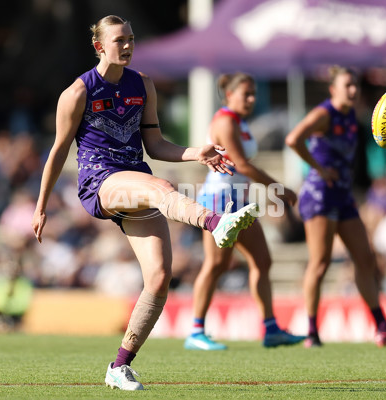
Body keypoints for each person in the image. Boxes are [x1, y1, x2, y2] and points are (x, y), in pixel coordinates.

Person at [31, 15, 259, 391]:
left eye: (131, 39)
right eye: (119, 39)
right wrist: (41, 206)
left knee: (158, 278)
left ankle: (119, 366)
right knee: (159, 186)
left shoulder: (143, 85)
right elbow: (57, 153)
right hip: (100, 183)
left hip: (136, 177)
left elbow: (156, 145)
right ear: (99, 46)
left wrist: (195, 153)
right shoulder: (77, 92)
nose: (127, 45)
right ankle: (216, 224)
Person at [284, 66, 386, 348]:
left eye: (355, 85)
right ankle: (311, 331)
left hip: (343, 196)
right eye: (348, 85)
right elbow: (293, 139)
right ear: (333, 89)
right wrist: (319, 168)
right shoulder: (324, 114)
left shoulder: (353, 118)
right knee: (320, 264)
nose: (353, 90)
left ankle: (381, 327)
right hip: (319, 195)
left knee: (365, 260)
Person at [184, 72, 304, 350]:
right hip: (219, 201)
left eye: (253, 94)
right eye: (245, 94)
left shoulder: (240, 122)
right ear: (229, 95)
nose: (251, 99)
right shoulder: (225, 121)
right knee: (216, 265)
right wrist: (279, 189)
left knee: (262, 261)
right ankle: (196, 331)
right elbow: (242, 165)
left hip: (238, 200)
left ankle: (271, 329)